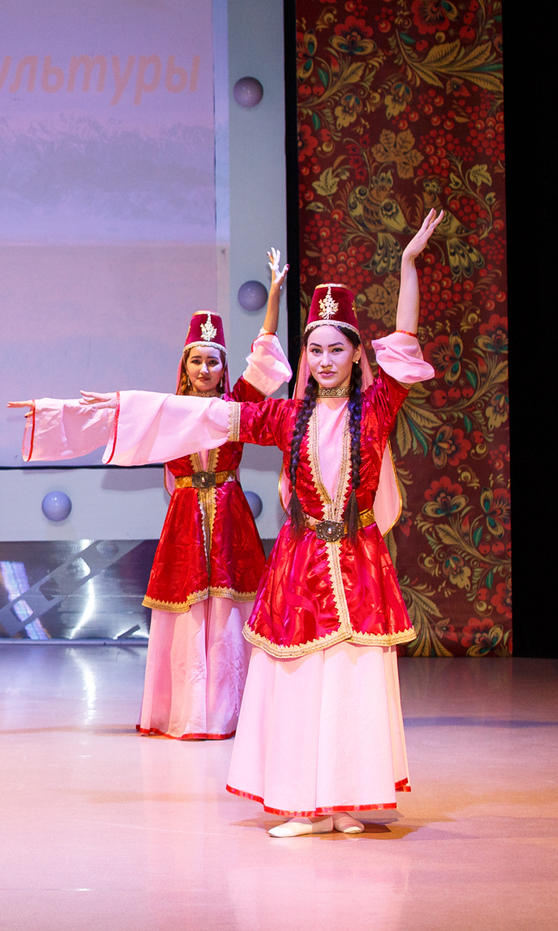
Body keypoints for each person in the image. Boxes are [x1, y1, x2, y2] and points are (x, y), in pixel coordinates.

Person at [78, 210, 444, 836]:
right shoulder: (284, 417)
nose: (324, 360)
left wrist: (408, 265)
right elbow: (202, 415)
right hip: (301, 570)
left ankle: (346, 799)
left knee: (353, 681)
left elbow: (406, 335)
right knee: (300, 681)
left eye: (337, 349)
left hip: (359, 567)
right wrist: (122, 409)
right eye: (315, 350)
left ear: (357, 354)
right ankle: (302, 802)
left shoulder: (378, 406)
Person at [9, 249, 291, 739]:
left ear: (223, 368)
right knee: (187, 614)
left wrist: (274, 298)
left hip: (229, 516)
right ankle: (186, 711)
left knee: (228, 610)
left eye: (213, 361)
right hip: (185, 517)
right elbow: (106, 413)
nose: (205, 369)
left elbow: (264, 362)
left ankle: (231, 711)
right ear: (185, 366)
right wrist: (50, 411)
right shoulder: (166, 409)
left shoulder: (237, 404)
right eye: (197, 360)